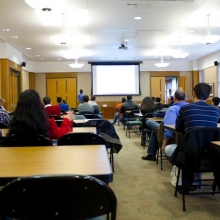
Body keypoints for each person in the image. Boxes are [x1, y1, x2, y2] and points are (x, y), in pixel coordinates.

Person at [165, 83, 220, 157]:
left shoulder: (185, 108)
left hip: (190, 150)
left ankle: (179, 166)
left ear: (193, 93)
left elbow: (178, 129)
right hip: (209, 153)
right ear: (207, 97)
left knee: (168, 148)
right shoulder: (216, 110)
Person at [9, 90, 74, 140]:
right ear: (38, 104)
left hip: (18, 156)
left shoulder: (14, 124)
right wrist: (66, 120)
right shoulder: (46, 123)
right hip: (43, 156)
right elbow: (60, 135)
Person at [141, 90, 187, 161]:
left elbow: (169, 127)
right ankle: (151, 154)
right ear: (185, 98)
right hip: (185, 134)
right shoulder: (189, 108)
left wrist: (164, 143)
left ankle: (151, 154)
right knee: (155, 130)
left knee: (148, 122)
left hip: (174, 134)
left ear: (174, 98)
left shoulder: (172, 109)